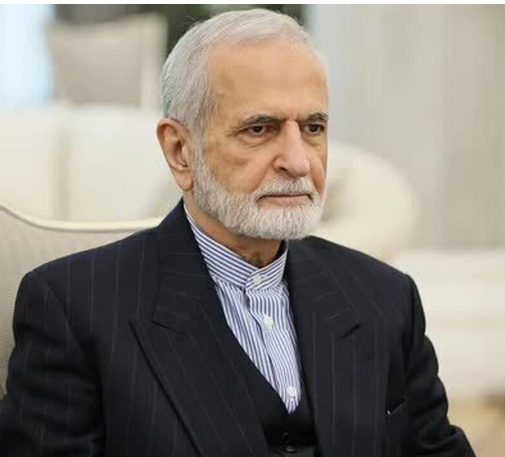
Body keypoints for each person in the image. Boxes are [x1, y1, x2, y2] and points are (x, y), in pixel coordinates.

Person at [0, 8, 475, 457]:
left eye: (313, 127)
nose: (298, 161)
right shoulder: (74, 309)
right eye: (260, 129)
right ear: (180, 150)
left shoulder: (385, 298)